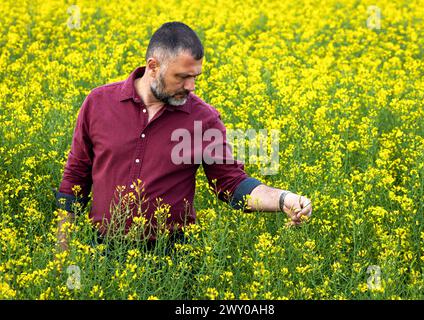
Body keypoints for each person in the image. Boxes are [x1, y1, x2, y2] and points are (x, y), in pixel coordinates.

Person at [56, 22, 312, 251]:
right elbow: (75, 179)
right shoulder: (99, 103)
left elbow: (232, 184)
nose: (191, 86)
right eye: (182, 77)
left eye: (195, 77)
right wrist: (62, 254)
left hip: (171, 256)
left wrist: (283, 199)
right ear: (153, 67)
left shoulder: (203, 118)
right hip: (102, 250)